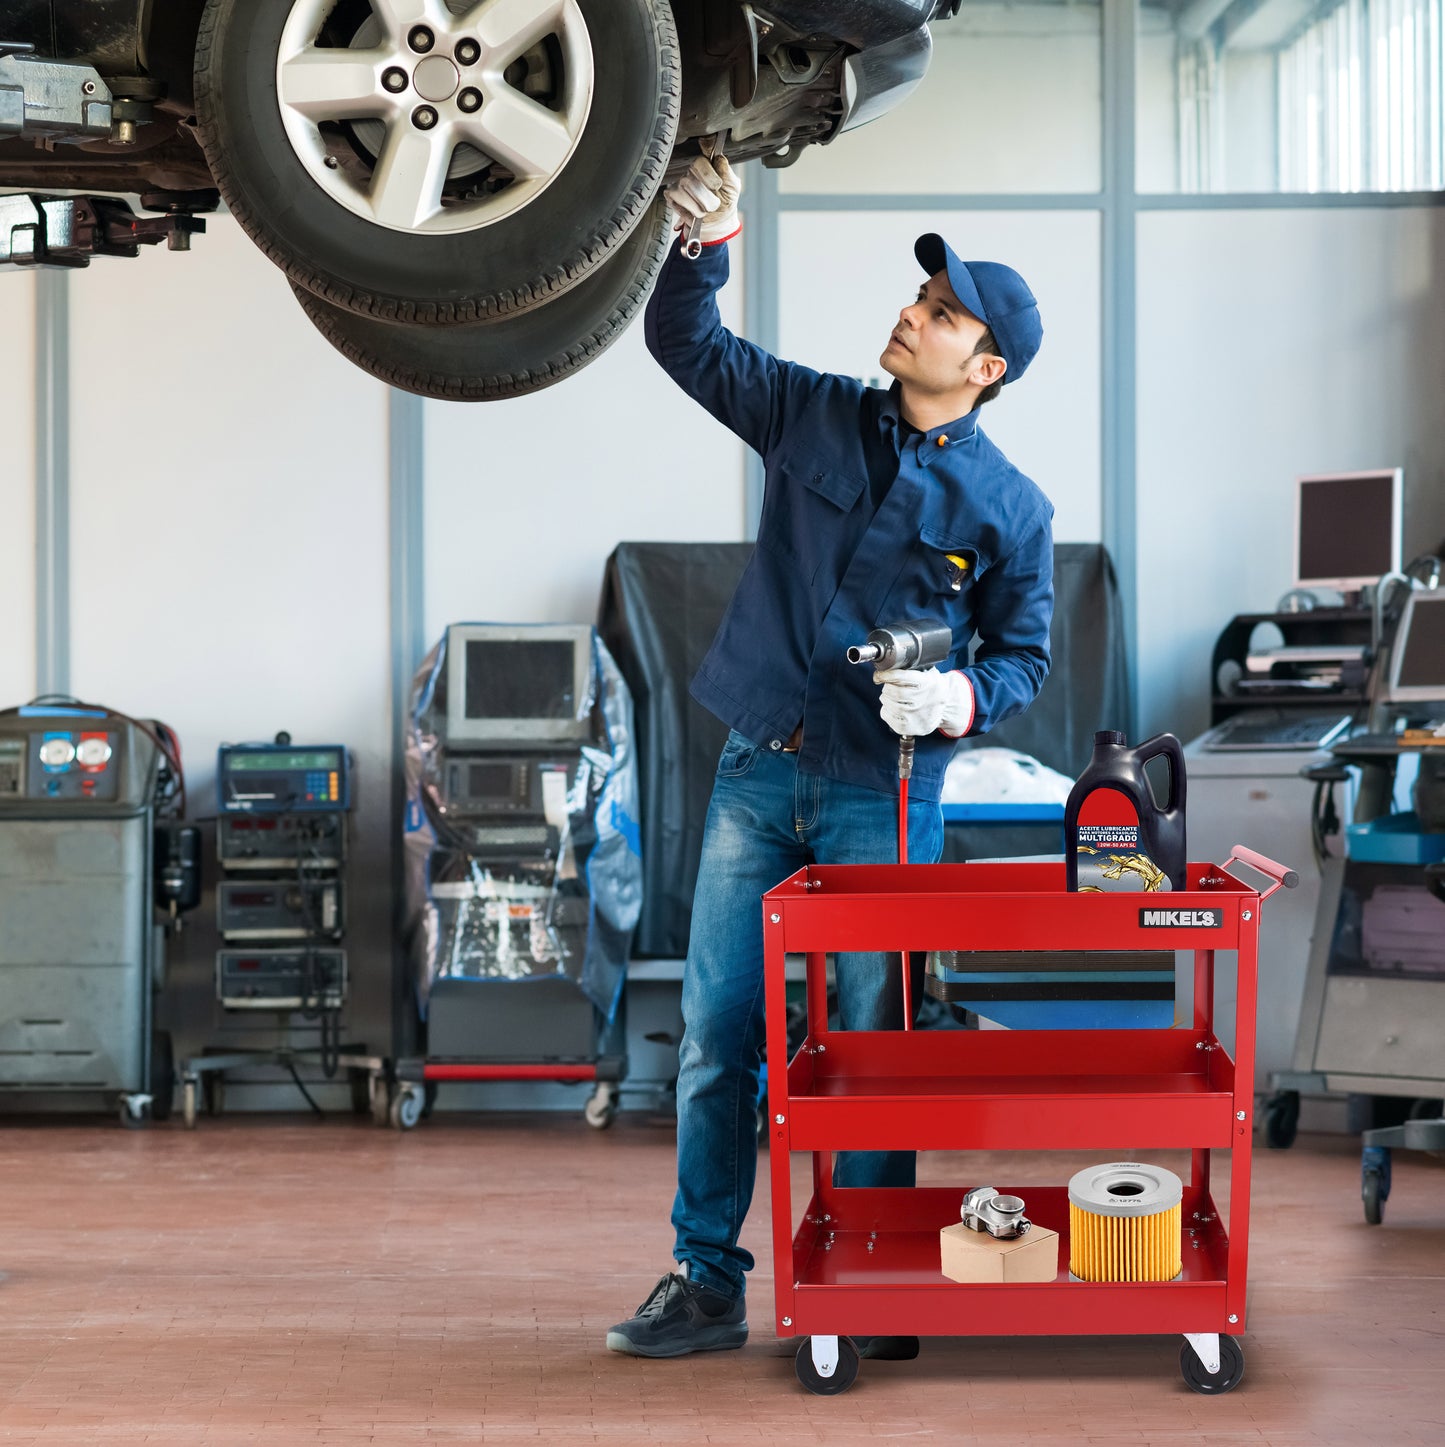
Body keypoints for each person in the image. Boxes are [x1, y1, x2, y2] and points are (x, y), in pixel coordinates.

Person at [606, 155, 1055, 1359]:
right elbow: (685, 345)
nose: (912, 313)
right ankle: (704, 1279)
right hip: (757, 771)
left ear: (985, 368)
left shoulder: (1012, 510)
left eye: (943, 313)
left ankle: (867, 1274)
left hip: (886, 796)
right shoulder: (810, 412)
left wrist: (960, 695)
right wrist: (708, 239)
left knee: (869, 1049)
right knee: (716, 1037)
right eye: (921, 298)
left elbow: (1025, 658)